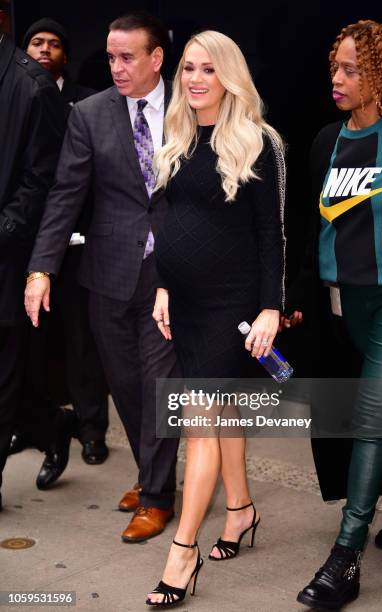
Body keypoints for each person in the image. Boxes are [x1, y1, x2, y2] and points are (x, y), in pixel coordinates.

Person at [24, 11, 179, 541]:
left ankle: (157, 497)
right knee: (127, 389)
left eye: (127, 57)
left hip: (172, 275)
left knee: (160, 386)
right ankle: (152, 474)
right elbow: (65, 194)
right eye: (111, 57)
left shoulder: (193, 104)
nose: (115, 66)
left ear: (156, 58)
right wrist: (41, 268)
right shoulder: (89, 114)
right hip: (109, 272)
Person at [145, 30, 286, 607]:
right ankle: (240, 511)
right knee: (223, 413)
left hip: (234, 303)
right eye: (187, 68)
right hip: (185, 300)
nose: (195, 79)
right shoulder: (176, 135)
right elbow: (166, 219)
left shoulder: (258, 139)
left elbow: (270, 233)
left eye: (208, 68)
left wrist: (271, 307)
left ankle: (182, 554)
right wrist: (161, 287)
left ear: (229, 75)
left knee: (200, 424)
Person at [296, 20, 382, 610]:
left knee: (371, 415)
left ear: (381, 74)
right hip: (344, 305)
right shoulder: (325, 142)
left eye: (352, 69)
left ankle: (346, 555)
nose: (337, 79)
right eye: (334, 67)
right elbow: (310, 226)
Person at [10, 18, 110, 469]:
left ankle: (91, 429)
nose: (44, 49)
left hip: (80, 242)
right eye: (36, 41)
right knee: (28, 348)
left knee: (81, 341)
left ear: (66, 55)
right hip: (31, 247)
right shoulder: (16, 95)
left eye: (54, 43)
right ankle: (37, 424)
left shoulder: (84, 101)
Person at [0, 11, 64, 509]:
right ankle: (49, 422)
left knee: (5, 369)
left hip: (8, 253)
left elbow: (42, 180)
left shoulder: (34, 87)